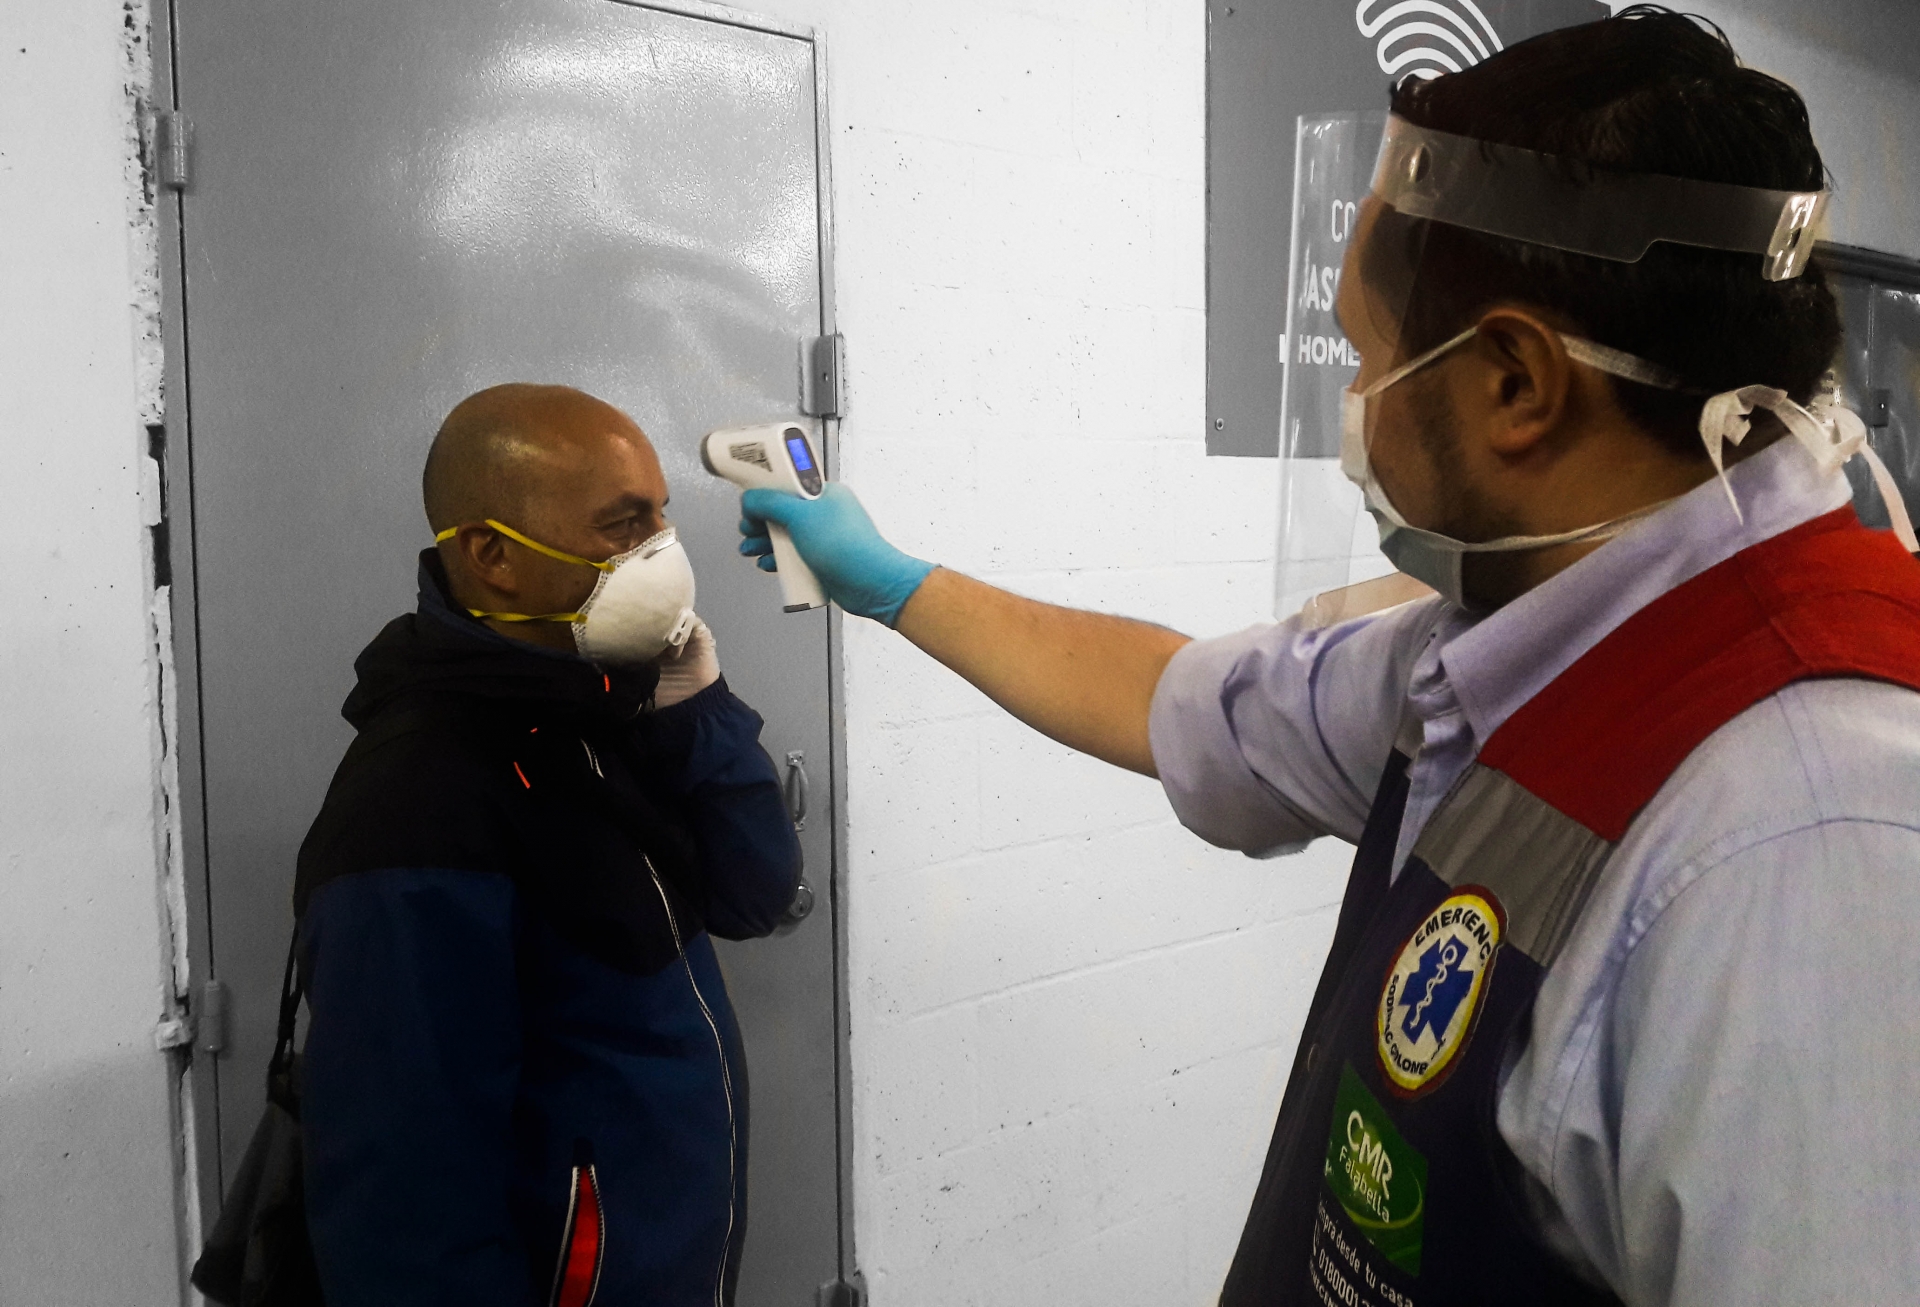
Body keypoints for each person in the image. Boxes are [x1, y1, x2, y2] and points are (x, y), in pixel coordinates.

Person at [736, 10, 1920, 1306]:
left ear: (1517, 385)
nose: (1357, 401)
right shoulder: (1507, 645)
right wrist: (894, 581)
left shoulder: (1808, 838)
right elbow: (1182, 701)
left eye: (1370, 353)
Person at [295, 383, 802, 1306]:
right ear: (492, 555)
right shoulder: (417, 802)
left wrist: (698, 710)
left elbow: (755, 892)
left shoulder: (599, 703)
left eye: (661, 517)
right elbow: (404, 1209)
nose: (661, 550)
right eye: (624, 524)